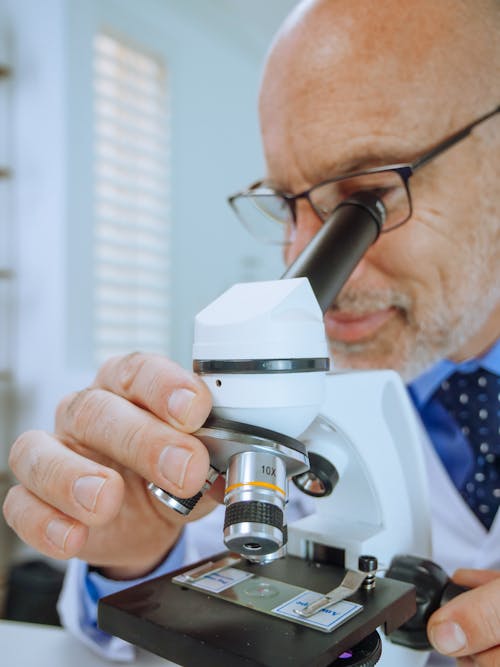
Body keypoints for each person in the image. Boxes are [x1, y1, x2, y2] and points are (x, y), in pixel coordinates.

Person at [3, 0, 500, 664]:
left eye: (366, 201)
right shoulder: (318, 398)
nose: (304, 261)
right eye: (286, 204)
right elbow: (227, 583)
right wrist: (134, 549)